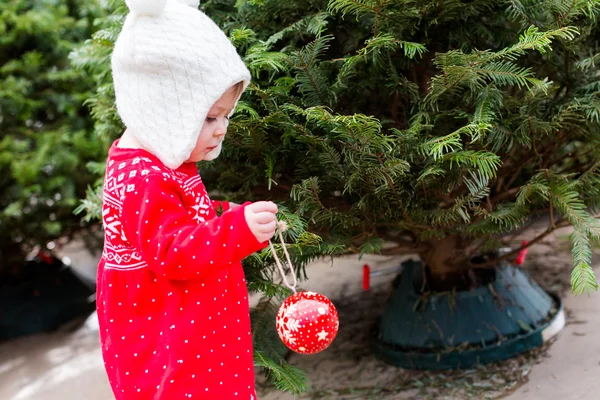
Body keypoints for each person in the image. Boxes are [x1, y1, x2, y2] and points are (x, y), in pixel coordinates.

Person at [95, 0, 277, 398]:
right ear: (162, 109)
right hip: (174, 353)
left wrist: (226, 214)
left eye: (226, 116)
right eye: (210, 117)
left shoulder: (163, 158)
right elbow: (173, 252)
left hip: (194, 336)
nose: (221, 129)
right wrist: (236, 230)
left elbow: (181, 220)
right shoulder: (144, 176)